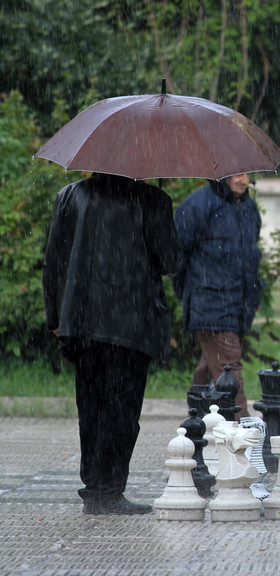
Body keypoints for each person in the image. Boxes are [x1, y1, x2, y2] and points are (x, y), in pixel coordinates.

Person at [43, 173, 181, 515]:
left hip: (81, 322)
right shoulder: (152, 200)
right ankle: (109, 489)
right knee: (122, 409)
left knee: (90, 405)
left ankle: (94, 486)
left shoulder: (71, 196)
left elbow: (53, 262)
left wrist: (56, 318)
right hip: (131, 326)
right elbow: (171, 262)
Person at [174, 173, 263, 418]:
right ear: (221, 173)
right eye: (236, 173)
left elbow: (250, 255)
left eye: (247, 174)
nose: (243, 180)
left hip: (238, 304)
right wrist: (191, 294)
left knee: (209, 369)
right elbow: (176, 255)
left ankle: (196, 422)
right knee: (229, 372)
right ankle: (244, 440)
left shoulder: (248, 207)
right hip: (211, 303)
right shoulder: (198, 205)